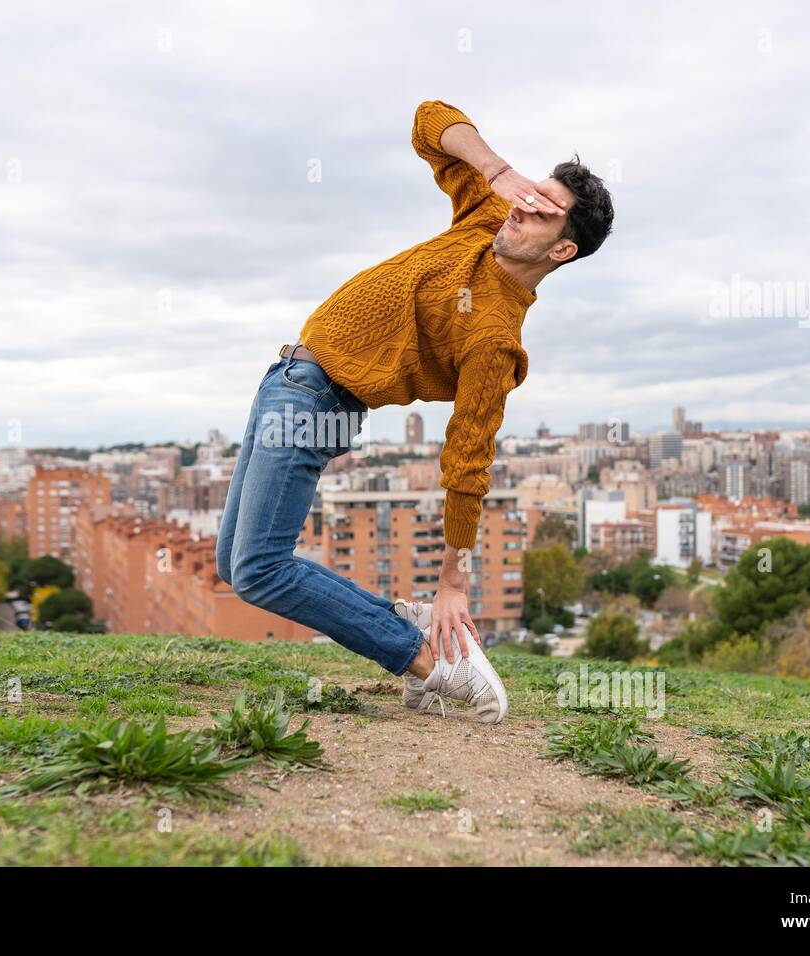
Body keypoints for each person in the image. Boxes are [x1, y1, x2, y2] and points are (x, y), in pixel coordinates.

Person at [216, 100, 614, 723]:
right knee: (232, 564)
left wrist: (453, 581)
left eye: (544, 209)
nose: (523, 207)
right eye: (532, 193)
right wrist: (501, 170)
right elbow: (430, 121)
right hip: (288, 378)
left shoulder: (494, 334)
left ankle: (426, 661)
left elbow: (468, 457)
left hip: (316, 396)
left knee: (261, 569)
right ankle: (407, 625)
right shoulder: (487, 215)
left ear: (562, 251)